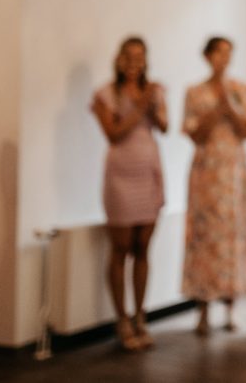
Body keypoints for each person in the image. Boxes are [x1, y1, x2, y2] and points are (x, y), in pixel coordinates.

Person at [181, 36, 246, 335]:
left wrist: (231, 110)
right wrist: (214, 112)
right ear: (207, 56)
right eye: (218, 53)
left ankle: (231, 307)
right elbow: (194, 133)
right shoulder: (195, 92)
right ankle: (202, 308)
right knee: (205, 235)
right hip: (207, 172)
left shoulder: (242, 90)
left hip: (235, 171)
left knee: (233, 234)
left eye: (228, 53)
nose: (223, 58)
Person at [91, 37, 167, 351]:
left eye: (140, 55)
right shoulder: (105, 94)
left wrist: (155, 104)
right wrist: (140, 106)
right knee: (120, 247)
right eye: (129, 56)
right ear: (120, 59)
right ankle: (121, 319)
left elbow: (164, 126)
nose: (135, 61)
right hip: (120, 174)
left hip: (149, 169)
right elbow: (113, 133)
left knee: (143, 247)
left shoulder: (155, 90)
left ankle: (140, 316)